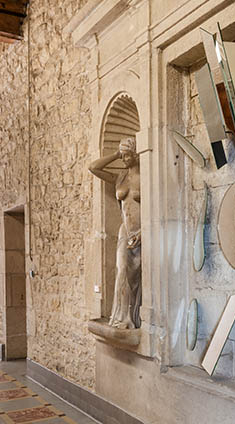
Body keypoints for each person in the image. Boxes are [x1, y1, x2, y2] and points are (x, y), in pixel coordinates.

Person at [88, 137, 142, 329]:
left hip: (141, 232)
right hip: (124, 230)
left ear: (136, 154)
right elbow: (94, 168)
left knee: (134, 277)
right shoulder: (120, 177)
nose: (124, 159)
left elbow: (155, 207)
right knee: (121, 270)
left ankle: (133, 318)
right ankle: (121, 316)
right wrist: (116, 154)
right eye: (123, 155)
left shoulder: (145, 175)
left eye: (128, 155)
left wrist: (143, 232)